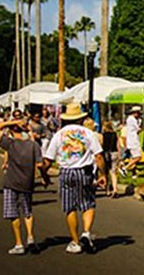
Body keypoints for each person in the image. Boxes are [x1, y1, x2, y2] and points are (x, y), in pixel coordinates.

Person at [43, 102, 106, 254]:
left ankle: (75, 241)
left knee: (70, 207)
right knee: (88, 203)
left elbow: (48, 158)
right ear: (80, 118)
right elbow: (99, 156)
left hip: (66, 171)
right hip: (84, 171)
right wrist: (103, 174)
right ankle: (86, 232)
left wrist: (43, 173)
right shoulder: (88, 133)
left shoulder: (59, 134)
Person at [0, 117, 49, 255]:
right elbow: (39, 165)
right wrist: (44, 177)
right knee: (28, 212)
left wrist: (12, 122)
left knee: (13, 213)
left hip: (11, 181)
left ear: (12, 130)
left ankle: (19, 243)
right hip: (27, 181)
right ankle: (30, 237)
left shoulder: (10, 143)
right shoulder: (33, 145)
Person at [120, 106, 143, 179]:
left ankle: (130, 170)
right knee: (137, 157)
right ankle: (125, 168)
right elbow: (138, 129)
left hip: (132, 140)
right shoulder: (132, 120)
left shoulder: (130, 119)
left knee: (132, 157)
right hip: (133, 141)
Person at [102, 121, 121, 197]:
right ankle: (115, 189)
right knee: (114, 173)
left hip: (106, 154)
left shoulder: (103, 135)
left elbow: (102, 145)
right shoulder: (115, 134)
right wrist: (120, 156)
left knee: (106, 172)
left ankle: (107, 190)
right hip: (115, 153)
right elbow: (118, 145)